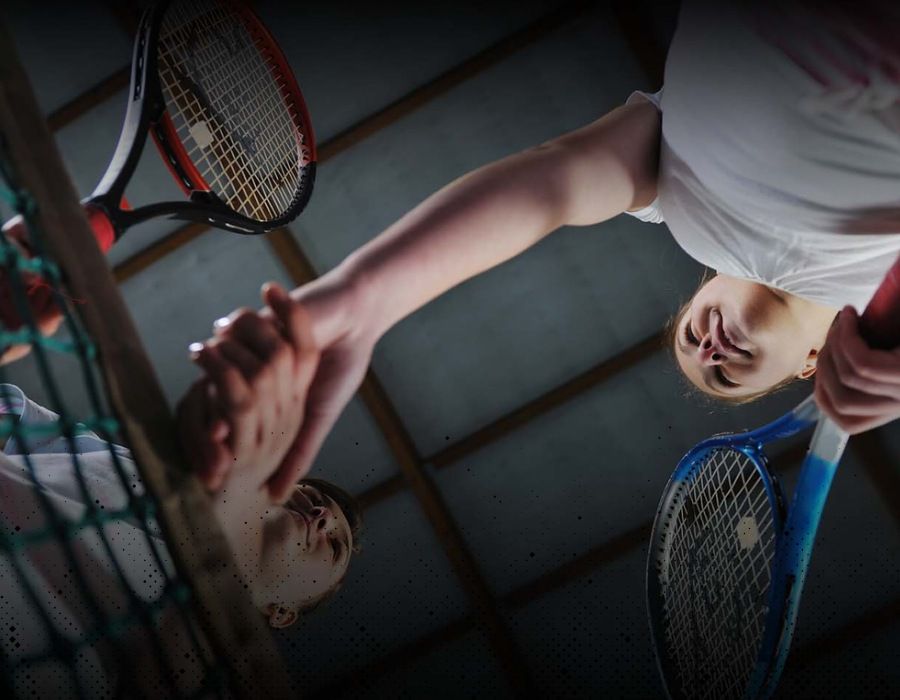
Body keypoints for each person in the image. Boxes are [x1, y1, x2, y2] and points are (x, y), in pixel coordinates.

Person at [187, 1, 899, 503]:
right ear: (810, 365)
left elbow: (551, 183)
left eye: (691, 342)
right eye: (724, 376)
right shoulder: (879, 305)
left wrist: (362, 299)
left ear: (704, 283)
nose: (710, 353)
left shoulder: (673, 199)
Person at [0, 281, 361, 696]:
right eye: (314, 498)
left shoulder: (224, 681)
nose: (323, 516)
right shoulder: (147, 475)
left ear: (282, 613)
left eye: (334, 546)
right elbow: (22, 423)